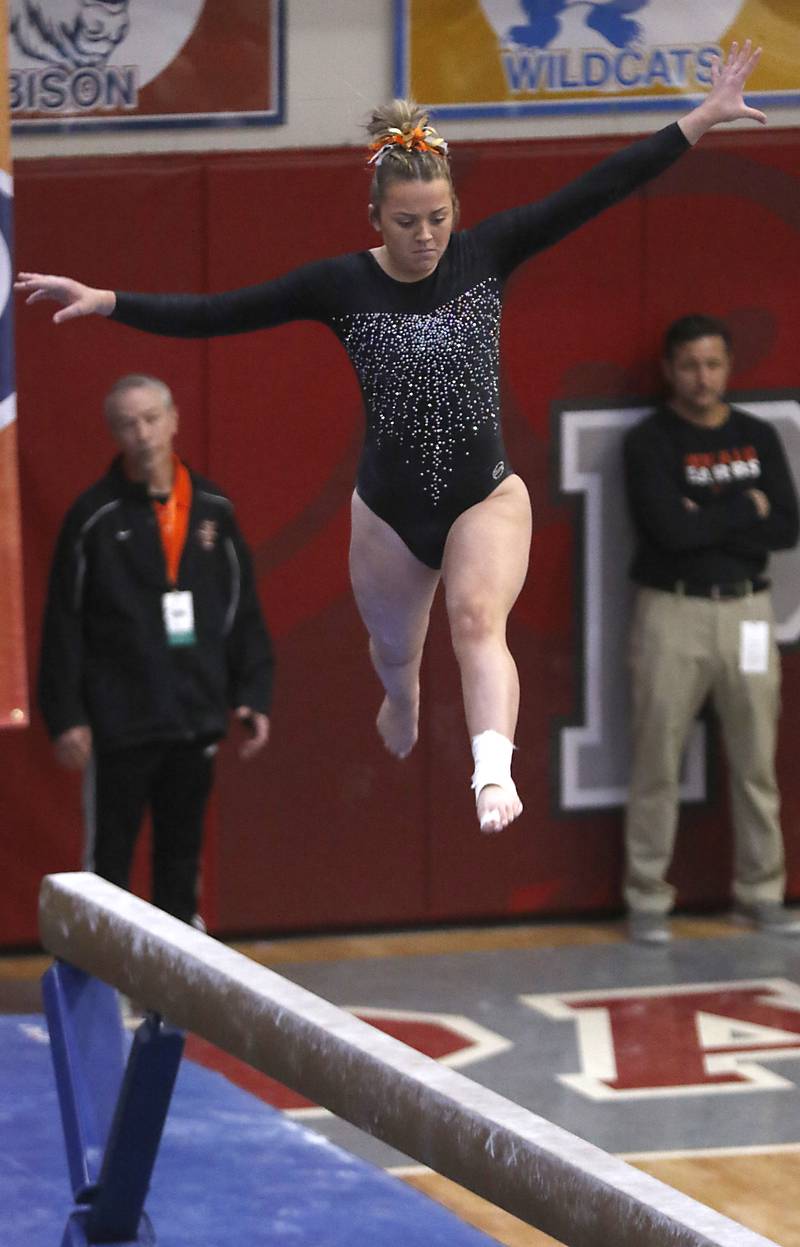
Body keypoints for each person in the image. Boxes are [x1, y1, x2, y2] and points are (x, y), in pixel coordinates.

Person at [18, 43, 766, 837]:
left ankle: (490, 768)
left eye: (439, 218)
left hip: (487, 495)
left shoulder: (487, 254)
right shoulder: (341, 285)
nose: (427, 237)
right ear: (375, 218)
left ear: (455, 211)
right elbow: (219, 311)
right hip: (389, 512)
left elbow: (601, 187)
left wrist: (703, 117)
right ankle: (403, 695)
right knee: (393, 649)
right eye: (407, 223)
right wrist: (107, 300)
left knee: (478, 620)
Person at [38, 374, 274, 925]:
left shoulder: (214, 510)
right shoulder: (93, 519)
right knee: (109, 862)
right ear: (113, 434)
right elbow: (62, 623)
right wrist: (66, 716)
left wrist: (252, 693)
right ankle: (99, 984)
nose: (141, 434)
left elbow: (242, 611)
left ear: (173, 421)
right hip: (121, 721)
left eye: (150, 419)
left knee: (181, 858)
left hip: (194, 716)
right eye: (126, 424)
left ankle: (171, 995)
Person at [623, 315, 800, 944]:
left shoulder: (755, 435)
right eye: (690, 365)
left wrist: (706, 514)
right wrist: (742, 506)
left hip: (749, 613)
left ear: (729, 367)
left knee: (757, 764)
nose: (703, 377)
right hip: (672, 614)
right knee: (656, 759)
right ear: (670, 369)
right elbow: (668, 531)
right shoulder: (649, 442)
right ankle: (646, 897)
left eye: (714, 364)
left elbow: (786, 527)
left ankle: (762, 892)